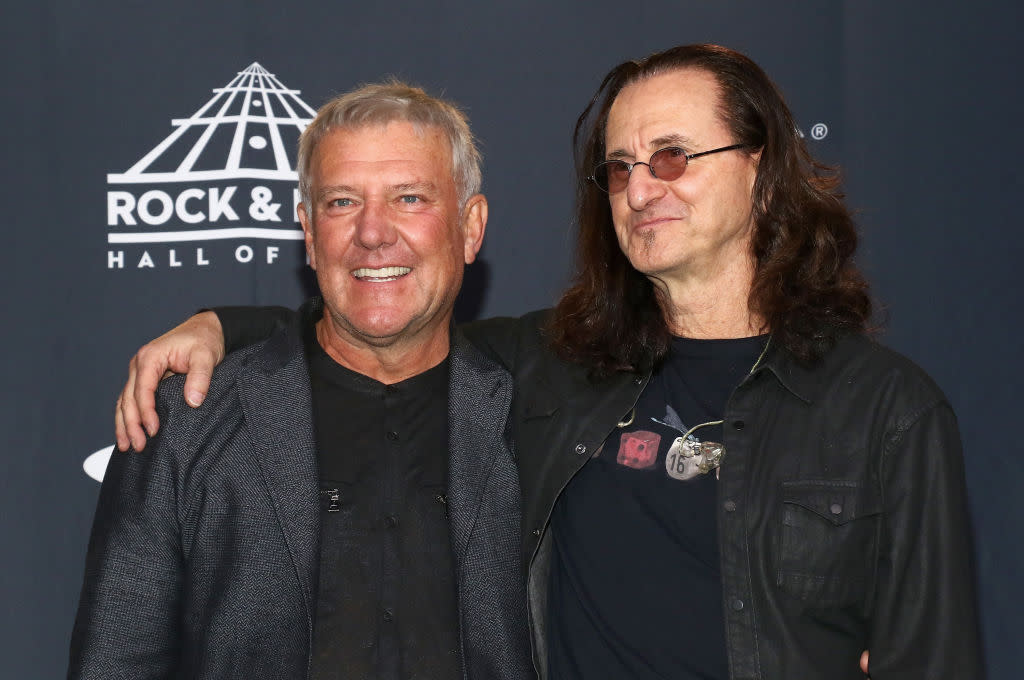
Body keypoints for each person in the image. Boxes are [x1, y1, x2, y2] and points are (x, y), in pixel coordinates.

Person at [115, 45, 983, 679]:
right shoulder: (558, 366)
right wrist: (221, 323)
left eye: (674, 156)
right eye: (620, 167)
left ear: (761, 172)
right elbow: (380, 319)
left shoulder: (887, 413)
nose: (643, 186)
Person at [70, 82, 534, 680]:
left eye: (410, 198)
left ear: (471, 227)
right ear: (309, 234)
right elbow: (116, 663)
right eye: (342, 202)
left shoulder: (535, 408)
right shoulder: (188, 414)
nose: (372, 232)